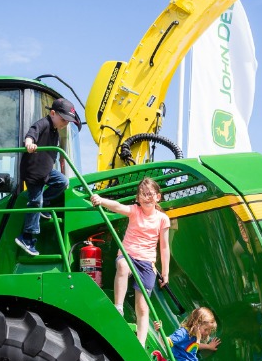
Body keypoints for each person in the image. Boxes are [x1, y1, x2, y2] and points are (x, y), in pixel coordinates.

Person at [89, 177, 171, 346]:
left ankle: (140, 342)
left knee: (142, 306)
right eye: (143, 195)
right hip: (129, 254)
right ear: (138, 198)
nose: (147, 197)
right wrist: (101, 200)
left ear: (158, 197)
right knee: (122, 265)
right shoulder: (135, 211)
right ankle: (118, 307)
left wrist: (165, 272)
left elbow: (164, 247)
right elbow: (118, 207)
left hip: (147, 262)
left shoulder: (162, 219)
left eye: (150, 194)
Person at [14, 98, 81, 257]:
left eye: (68, 121)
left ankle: (46, 203)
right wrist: (29, 144)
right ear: (52, 113)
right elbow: (31, 133)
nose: (65, 123)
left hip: (45, 171)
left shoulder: (55, 133)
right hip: (34, 173)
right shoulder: (43, 124)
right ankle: (27, 237)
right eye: (64, 119)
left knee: (63, 181)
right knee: (36, 201)